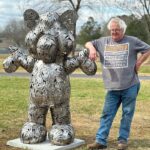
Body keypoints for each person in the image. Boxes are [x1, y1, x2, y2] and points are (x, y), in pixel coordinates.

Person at [85, 17, 150, 150]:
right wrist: (92, 49)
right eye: (112, 30)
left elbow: (148, 49)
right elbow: (88, 43)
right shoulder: (103, 42)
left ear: (123, 30)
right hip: (112, 87)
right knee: (106, 114)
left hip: (130, 85)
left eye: (117, 30)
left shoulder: (132, 41)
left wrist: (139, 62)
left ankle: (122, 141)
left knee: (127, 114)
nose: (114, 32)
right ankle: (100, 141)